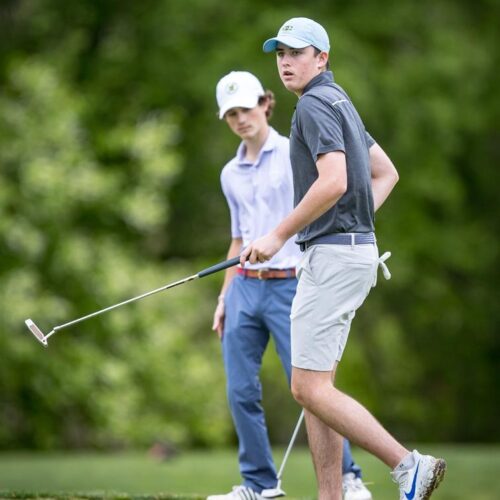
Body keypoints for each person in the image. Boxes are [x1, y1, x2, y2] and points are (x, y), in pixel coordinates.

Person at [239, 17, 447, 500]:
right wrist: (351, 221)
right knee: (319, 391)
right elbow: (386, 173)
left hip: (333, 259)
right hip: (351, 253)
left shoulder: (313, 105)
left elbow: (333, 181)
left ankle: (408, 465)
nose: (286, 61)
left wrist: (277, 235)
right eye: (280, 54)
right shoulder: (341, 102)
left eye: (296, 52)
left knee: (307, 388)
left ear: (321, 58)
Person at [207, 70, 373, 500]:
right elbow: (239, 237)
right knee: (240, 390)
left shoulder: (292, 151)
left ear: (265, 103)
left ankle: (348, 476)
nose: (240, 119)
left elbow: (331, 191)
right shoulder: (230, 173)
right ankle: (260, 485)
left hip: (291, 282)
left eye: (245, 109)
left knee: (312, 387)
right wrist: (225, 295)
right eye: (230, 114)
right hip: (245, 286)